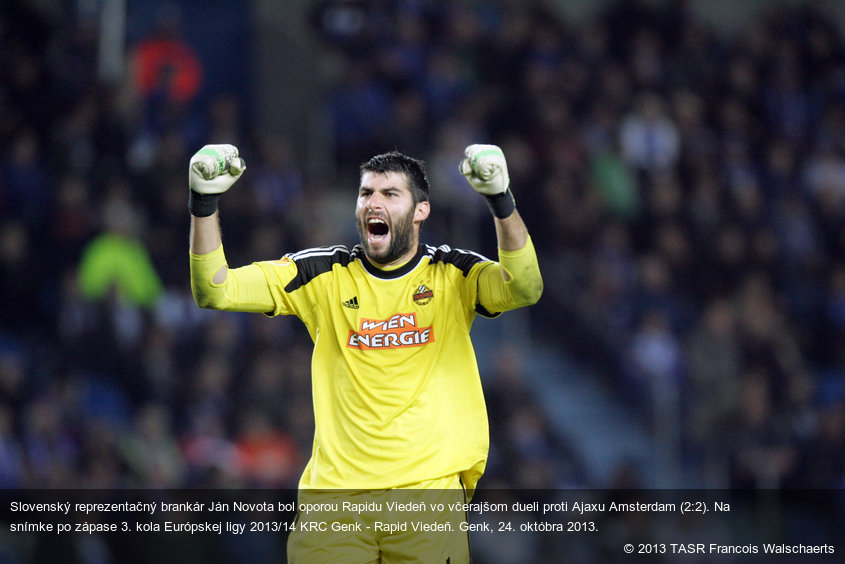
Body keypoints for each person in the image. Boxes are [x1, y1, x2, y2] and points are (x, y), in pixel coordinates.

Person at [188, 143, 542, 563]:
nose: (373, 202)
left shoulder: (453, 273)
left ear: (420, 211)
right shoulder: (322, 274)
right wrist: (203, 204)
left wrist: (502, 202)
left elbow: (524, 287)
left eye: (390, 194)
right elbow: (215, 290)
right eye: (366, 193)